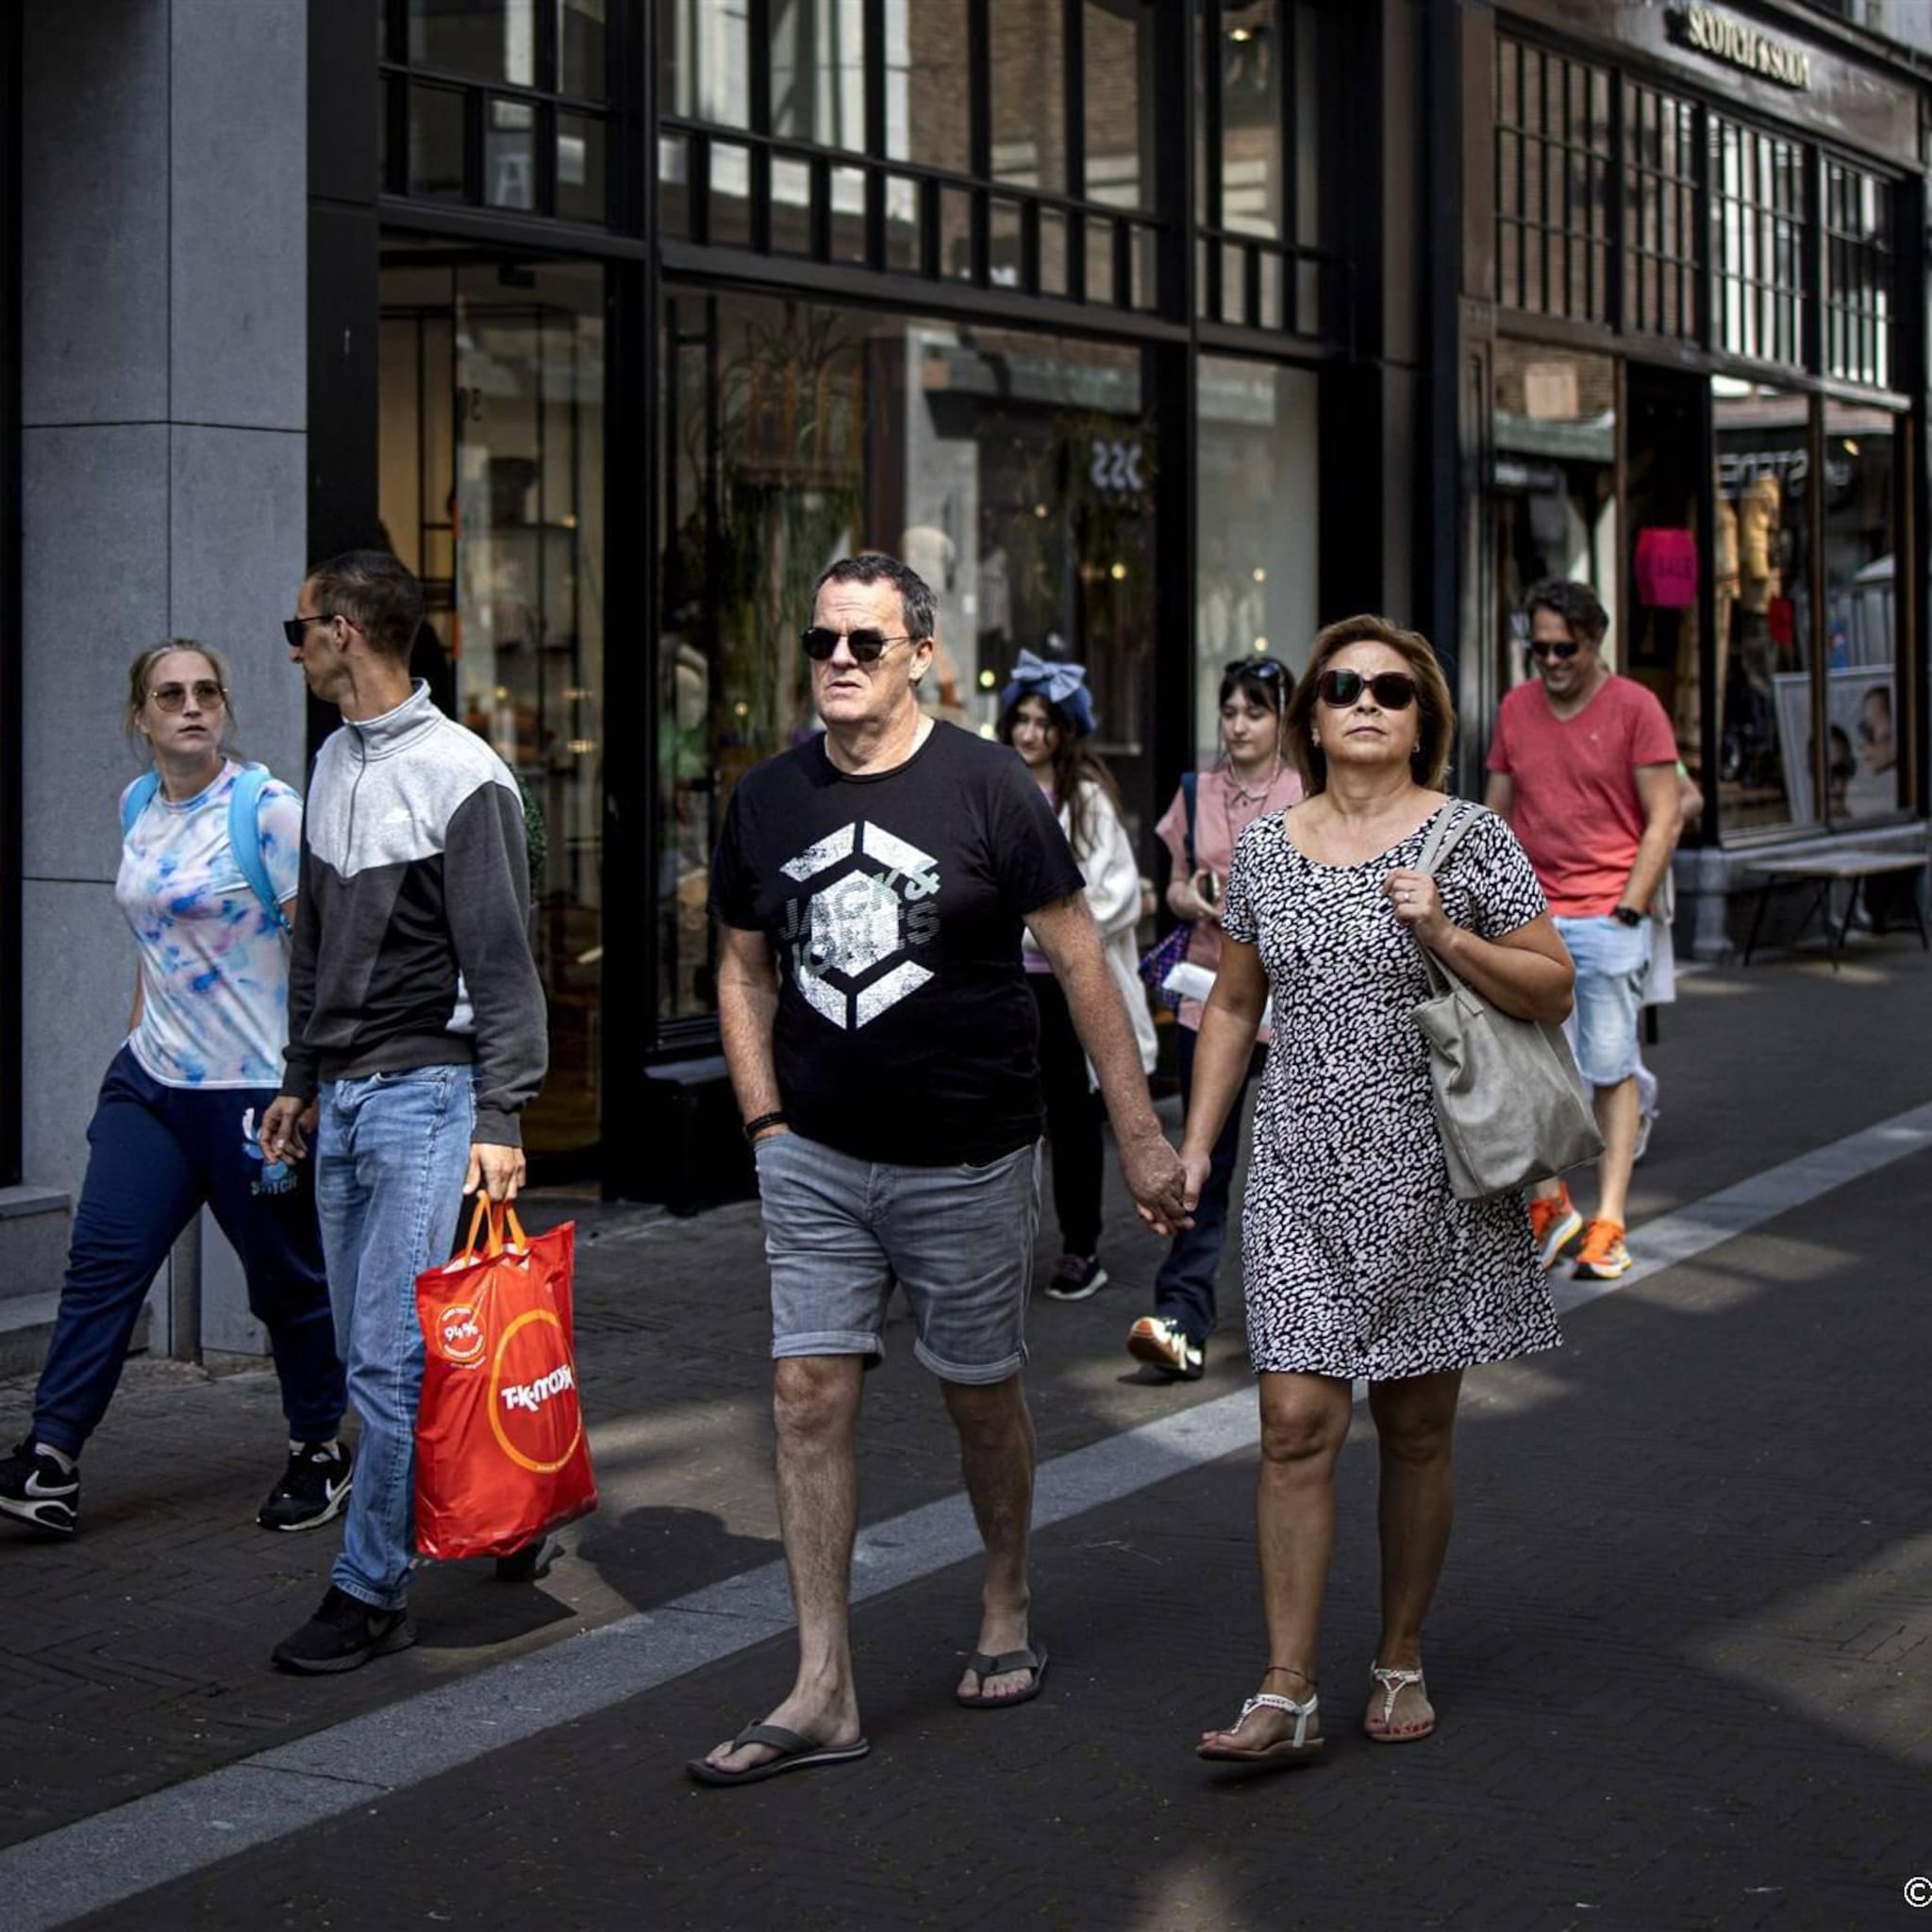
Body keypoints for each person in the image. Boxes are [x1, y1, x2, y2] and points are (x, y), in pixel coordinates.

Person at [691, 553, 1190, 1786]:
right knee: (807, 1398)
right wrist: (763, 1124)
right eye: (823, 643)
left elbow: (1081, 962)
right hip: (813, 1158)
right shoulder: (767, 799)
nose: (840, 663)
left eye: (866, 642)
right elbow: (744, 970)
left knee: (980, 1396)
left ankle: (1007, 1593)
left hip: (967, 1158)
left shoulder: (988, 786)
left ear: (919, 653)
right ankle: (823, 1685)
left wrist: (1136, 1138)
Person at [1187, 614, 1572, 1769]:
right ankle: (1285, 1684)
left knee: (1411, 1425)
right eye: (1342, 685)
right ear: (1311, 712)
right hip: (1298, 1162)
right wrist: (1194, 1148)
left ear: (1421, 721)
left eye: (1391, 691)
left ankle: (1397, 1650)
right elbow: (1232, 1006)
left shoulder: (1467, 839)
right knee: (1292, 1420)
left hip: (1431, 1167)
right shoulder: (1264, 849)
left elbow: (1549, 985)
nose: (1365, 701)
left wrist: (1444, 931)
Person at [259, 550, 548, 1674]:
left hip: (430, 1097)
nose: (294, 652)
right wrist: (298, 1078)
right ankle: (514, 1508)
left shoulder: (462, 774)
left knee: (385, 1357)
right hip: (344, 1101)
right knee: (377, 1349)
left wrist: (503, 1117)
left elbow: (504, 963)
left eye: (299, 633)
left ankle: (370, 1586)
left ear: (344, 632)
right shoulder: (334, 758)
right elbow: (313, 941)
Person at [0, 645, 349, 1539]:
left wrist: (300, 1085)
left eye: (206, 692)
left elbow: (319, 956)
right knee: (101, 1269)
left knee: (285, 1283)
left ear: (223, 707)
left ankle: (319, 1448)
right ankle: (50, 1460)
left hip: (251, 1097)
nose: (191, 707)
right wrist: (132, 1039)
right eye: (170, 695)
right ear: (142, 718)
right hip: (150, 1087)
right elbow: (155, 942)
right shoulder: (137, 806)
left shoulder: (268, 812)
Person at [1486, 580, 1680, 1283]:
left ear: (1594, 642)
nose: (1549, 661)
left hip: (1607, 913)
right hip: (1537, 916)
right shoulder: (1515, 707)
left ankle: (1611, 1221)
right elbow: (1497, 813)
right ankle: (1551, 1206)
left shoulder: (1636, 708)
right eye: (1537, 648)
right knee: (1532, 1071)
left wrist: (1630, 905)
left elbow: (1666, 813)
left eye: (1563, 647)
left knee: (1609, 1067)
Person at [1127, 656, 1302, 1381]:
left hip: (1292, 1001)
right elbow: (1169, 885)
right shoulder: (1197, 789)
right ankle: (1182, 1319)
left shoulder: (1308, 792)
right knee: (1204, 1157)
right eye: (1229, 712)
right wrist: (1191, 900)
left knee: (1293, 1165)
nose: (1237, 726)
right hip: (1211, 992)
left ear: (1282, 720)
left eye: (1254, 712)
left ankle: (1298, 1315)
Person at [997, 650, 1158, 1300]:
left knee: (1071, 1117)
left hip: (1068, 986)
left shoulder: (1086, 798)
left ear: (1064, 729)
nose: (1030, 732)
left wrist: (1049, 922)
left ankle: (1080, 1247)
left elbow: (1115, 889)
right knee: (1007, 1120)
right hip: (1008, 983)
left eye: (1043, 721)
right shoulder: (996, 785)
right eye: (1022, 719)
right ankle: (999, 1248)